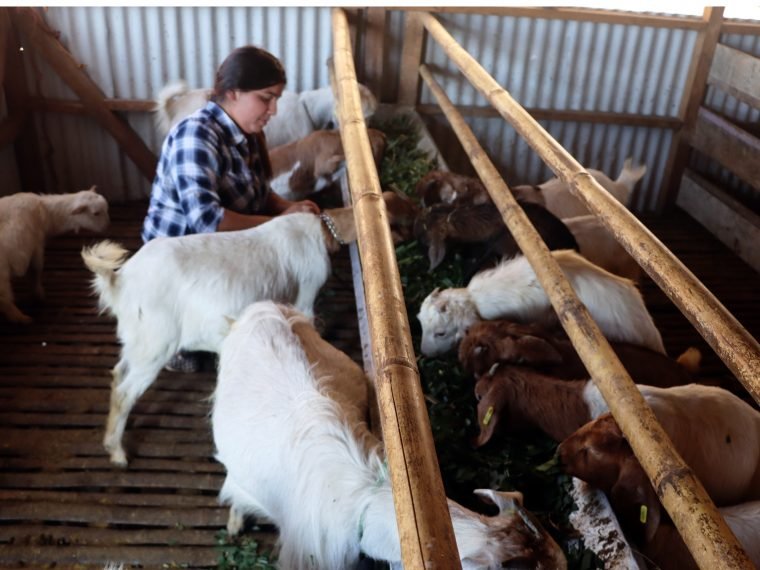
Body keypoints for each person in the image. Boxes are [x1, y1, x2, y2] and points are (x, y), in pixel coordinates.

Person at [142, 45, 321, 372]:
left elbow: (257, 193)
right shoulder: (196, 135)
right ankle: (177, 336)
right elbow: (207, 220)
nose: (274, 110)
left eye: (277, 99)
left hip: (218, 254)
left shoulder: (245, 132)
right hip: (180, 268)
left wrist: (289, 207)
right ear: (234, 92)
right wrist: (280, 222)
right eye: (266, 98)